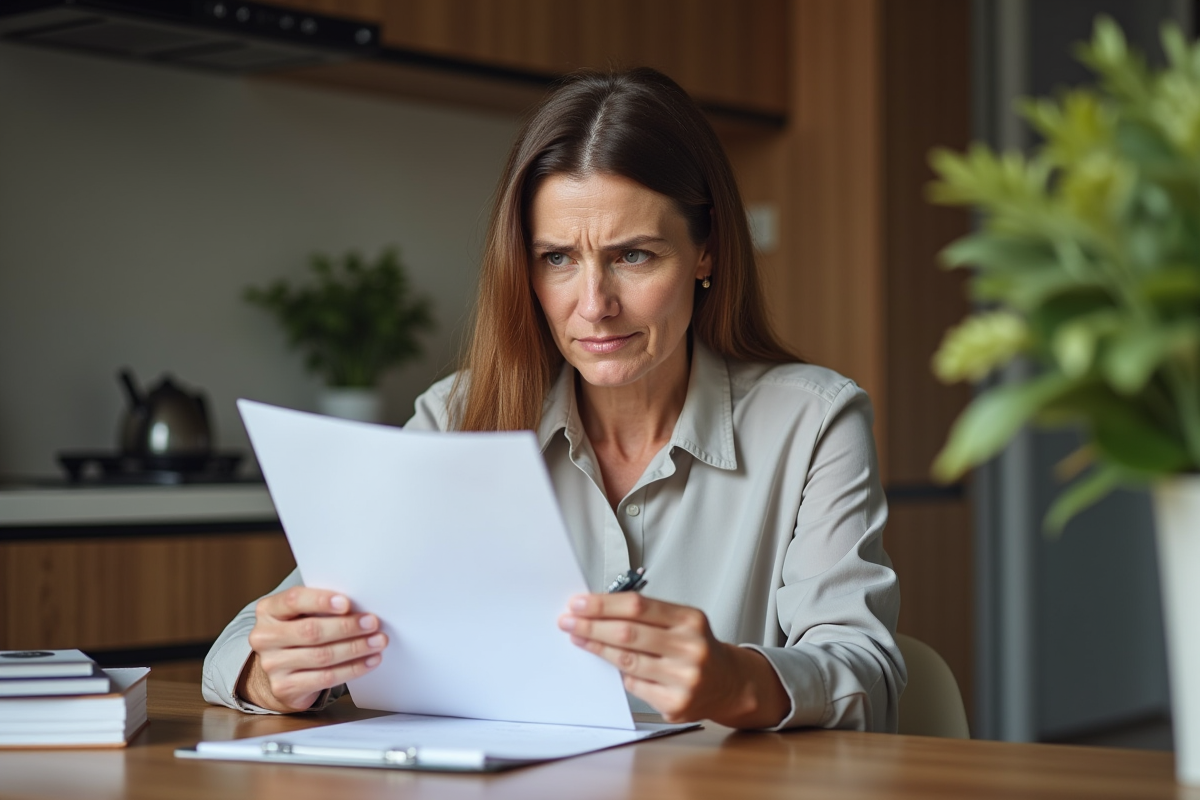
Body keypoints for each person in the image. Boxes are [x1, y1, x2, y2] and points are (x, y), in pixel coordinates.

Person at [203, 68, 905, 732]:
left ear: (707, 253)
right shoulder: (453, 420)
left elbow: (868, 671)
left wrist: (737, 681)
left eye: (634, 255)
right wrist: (272, 675)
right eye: (558, 258)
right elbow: (246, 641)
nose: (593, 305)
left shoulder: (813, 422)